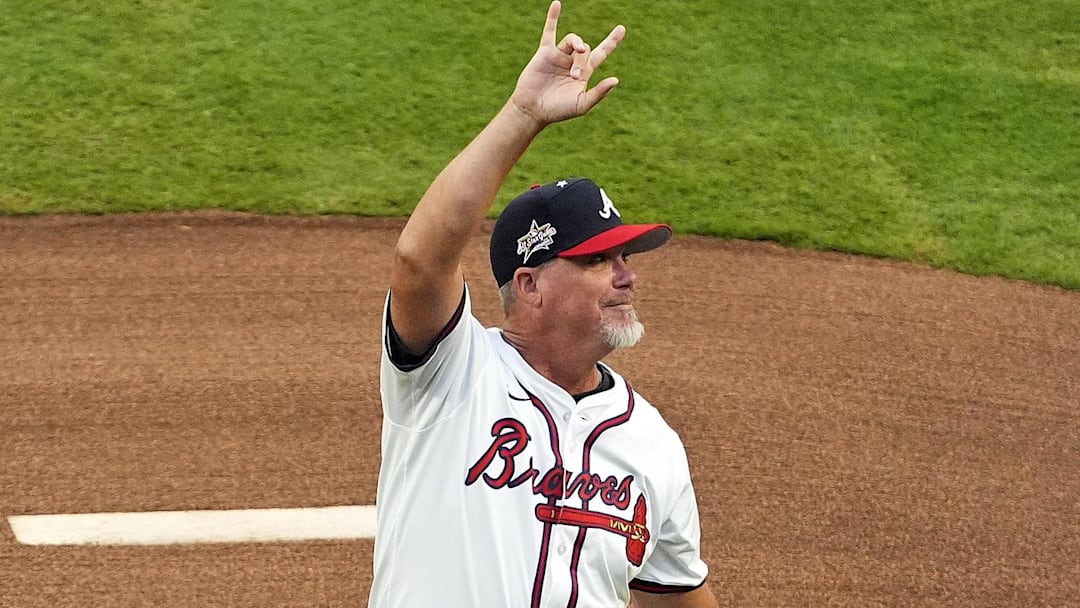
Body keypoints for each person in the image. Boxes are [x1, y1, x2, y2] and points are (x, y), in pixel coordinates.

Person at [370, 2, 718, 606]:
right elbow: (419, 263)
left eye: (625, 258)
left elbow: (678, 596)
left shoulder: (652, 442)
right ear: (529, 285)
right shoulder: (449, 375)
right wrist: (523, 115)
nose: (626, 276)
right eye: (596, 261)